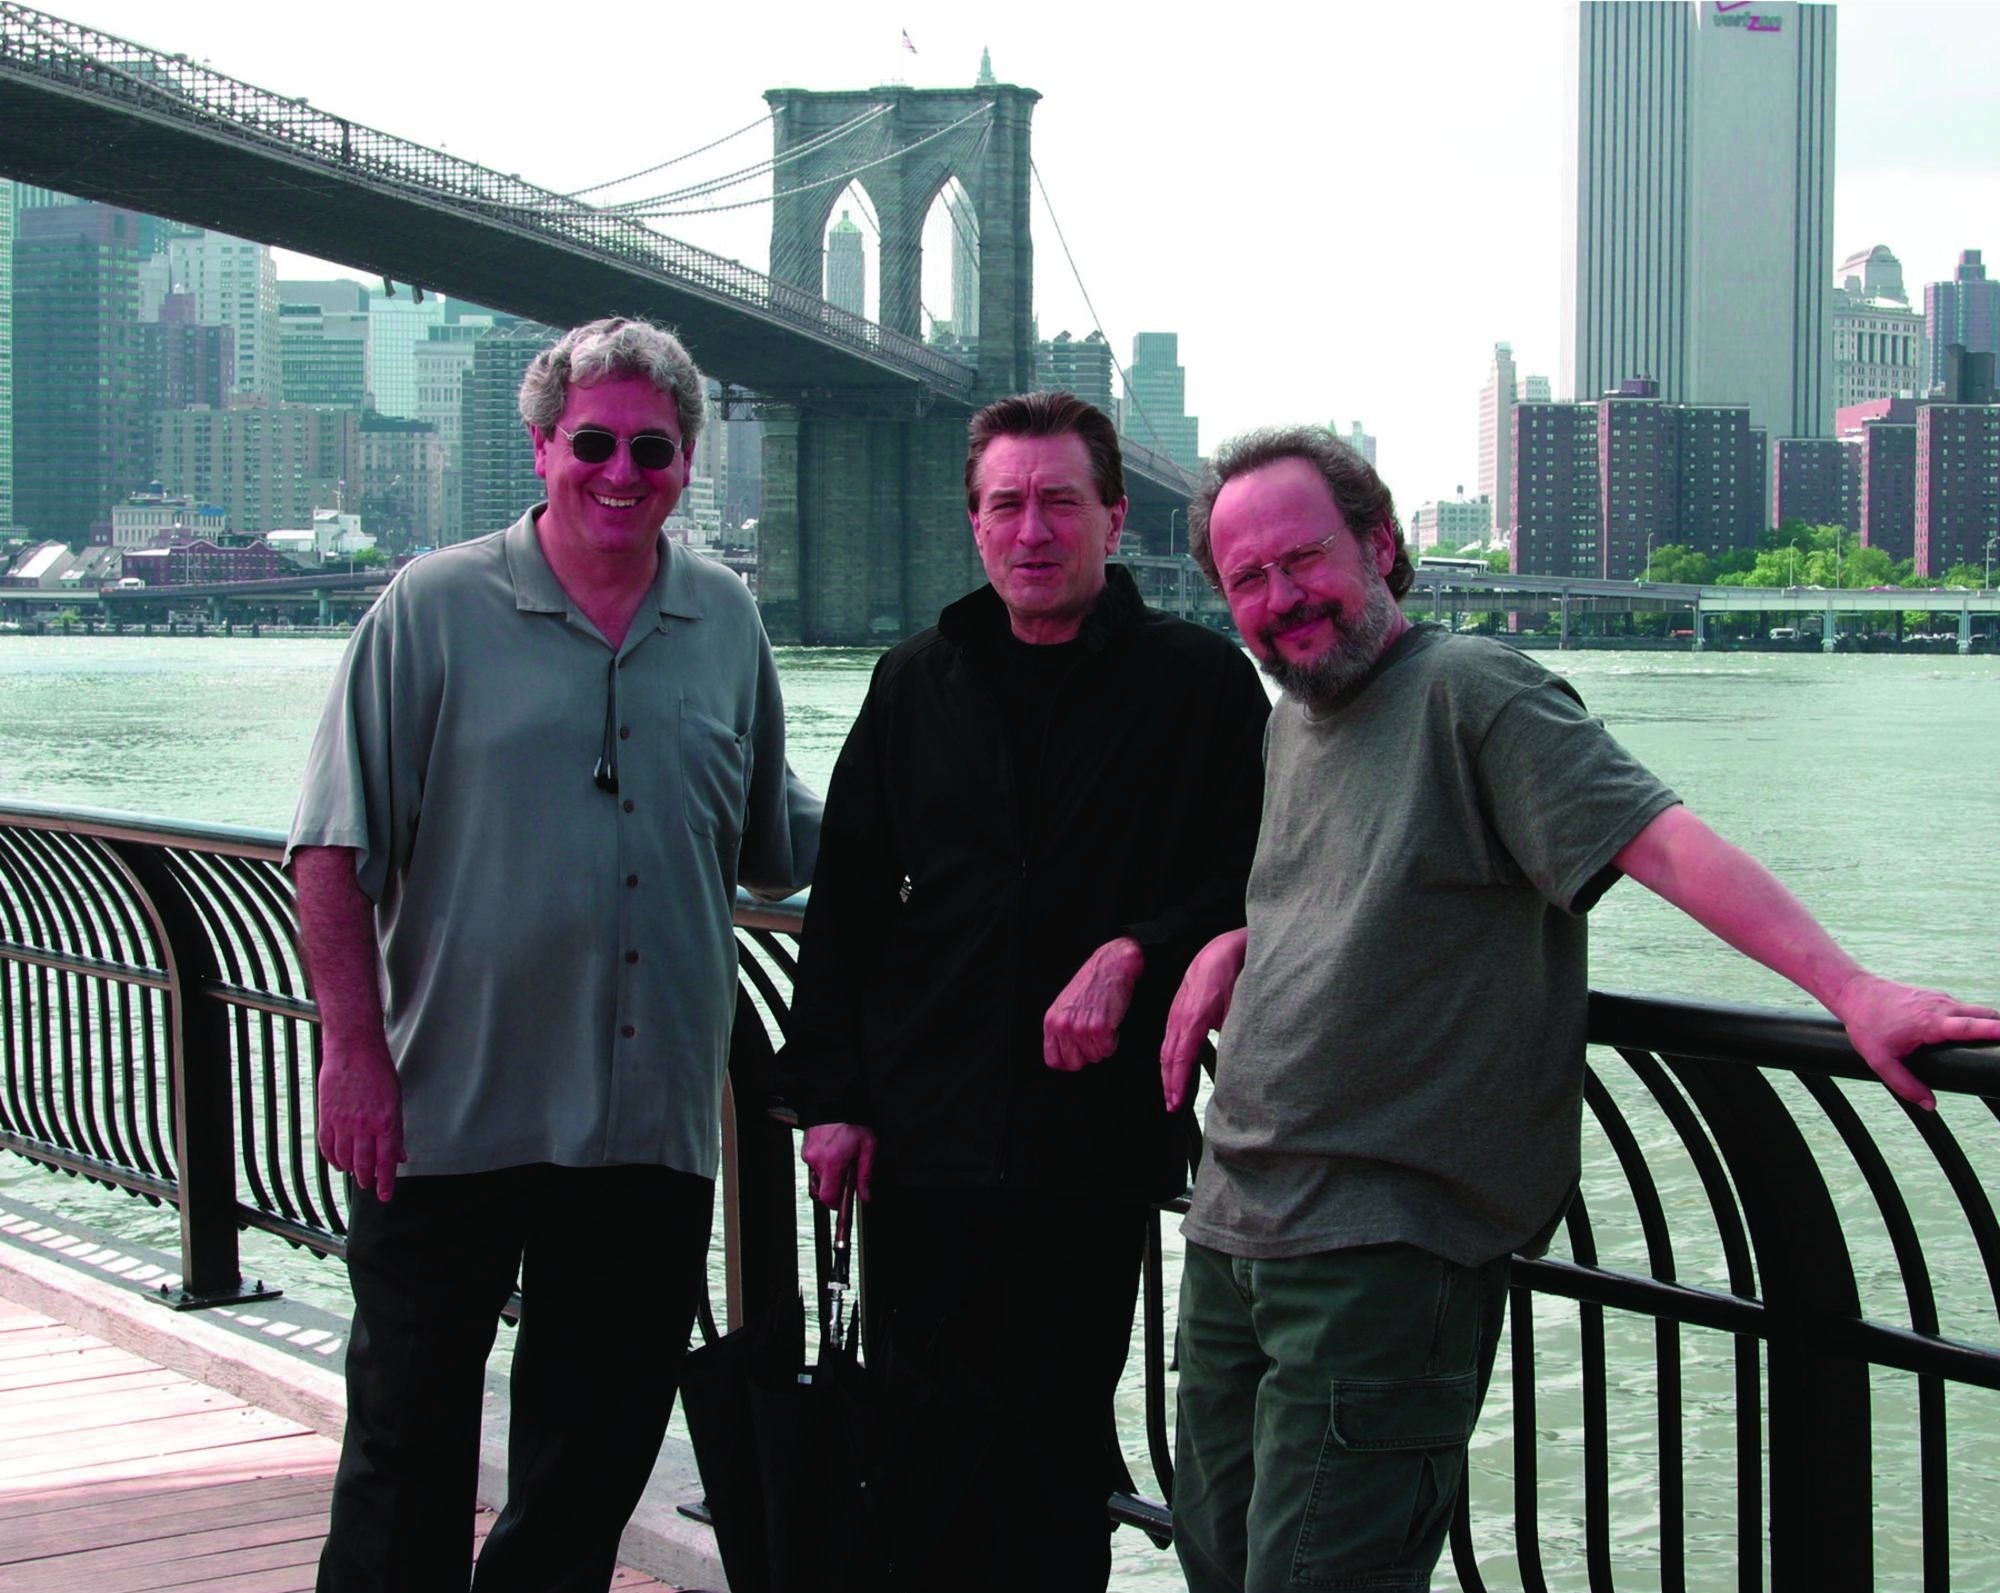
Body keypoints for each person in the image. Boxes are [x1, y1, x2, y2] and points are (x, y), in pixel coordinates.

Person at [1159, 424, 2000, 1593]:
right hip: (1236, 1227)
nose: (1279, 598)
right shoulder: (1294, 722)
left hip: (1380, 1252)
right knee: (1217, 1567)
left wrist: (1849, 988)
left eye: (1301, 560)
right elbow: (1347, 893)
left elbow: (1657, 841)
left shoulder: (1472, 693)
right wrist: (1230, 942)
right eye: (1245, 579)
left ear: (1379, 544)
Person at [289, 316, 819, 1592]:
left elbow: (773, 841)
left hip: (644, 1131)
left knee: (587, 1467)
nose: (621, 471)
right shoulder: (431, 607)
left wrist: (948, 821)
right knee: (404, 1450)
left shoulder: (725, 618)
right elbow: (327, 851)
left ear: (689, 460)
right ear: (540, 447)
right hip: (443, 1116)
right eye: (593, 442)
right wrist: (352, 1058)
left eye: (653, 446)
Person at [778, 391, 1270, 1592]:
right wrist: (831, 1100)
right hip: (921, 1138)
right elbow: (845, 898)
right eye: (1006, 505)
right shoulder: (913, 681)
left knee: (1052, 1461)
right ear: (974, 525)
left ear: (1114, 519)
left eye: (1059, 502)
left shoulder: (1199, 684)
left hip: (1087, 1142)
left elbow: (1265, 872)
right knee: (913, 1456)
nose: (1032, 529)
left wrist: (1139, 948)